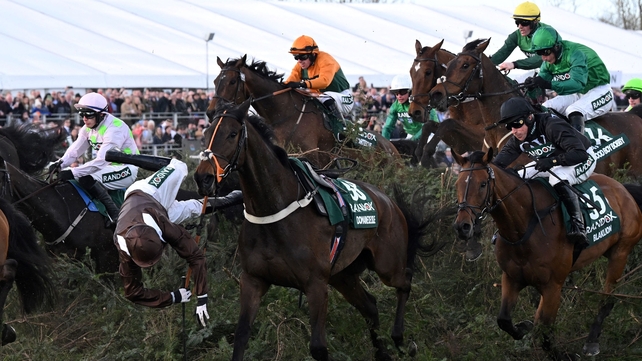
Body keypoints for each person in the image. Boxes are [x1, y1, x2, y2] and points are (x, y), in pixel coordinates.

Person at [114, 157, 243, 327]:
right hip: (140, 207)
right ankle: (234, 198)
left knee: (179, 167)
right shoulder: (123, 249)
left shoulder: (162, 223)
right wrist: (173, 297)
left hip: (149, 192)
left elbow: (195, 256)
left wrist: (202, 296)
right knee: (194, 209)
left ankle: (129, 157)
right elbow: (132, 292)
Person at [493, 97, 596, 246]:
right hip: (555, 161)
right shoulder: (517, 139)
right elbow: (497, 166)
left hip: (583, 158)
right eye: (509, 127)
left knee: (557, 178)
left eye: (517, 124)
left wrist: (552, 161)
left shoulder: (551, 125)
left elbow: (580, 154)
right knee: (517, 177)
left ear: (529, 117)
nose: (514, 131)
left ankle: (578, 225)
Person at [49, 92, 139, 225]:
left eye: (88, 114)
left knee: (85, 177)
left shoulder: (115, 129)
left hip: (126, 169)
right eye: (82, 114)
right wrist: (59, 164)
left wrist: (72, 172)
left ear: (101, 114)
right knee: (77, 174)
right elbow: (75, 151)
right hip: (106, 168)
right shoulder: (87, 129)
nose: (84, 119)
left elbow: (101, 161)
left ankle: (114, 214)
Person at [525, 26, 614, 134]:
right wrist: (531, 87)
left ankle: (578, 148)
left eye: (546, 52)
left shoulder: (576, 54)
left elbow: (578, 84)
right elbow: (541, 85)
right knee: (545, 107)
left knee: (573, 110)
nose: (543, 58)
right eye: (540, 53)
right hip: (577, 94)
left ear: (557, 47)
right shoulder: (548, 63)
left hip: (600, 90)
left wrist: (549, 84)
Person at [284, 35, 354, 121]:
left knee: (324, 97)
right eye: (296, 57)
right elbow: (289, 82)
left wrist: (303, 84)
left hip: (344, 97)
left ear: (313, 54)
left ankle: (342, 127)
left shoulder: (326, 60)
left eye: (302, 57)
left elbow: (325, 81)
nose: (299, 61)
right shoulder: (300, 66)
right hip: (321, 96)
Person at [490, 1, 560, 72]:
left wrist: (515, 64)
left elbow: (540, 59)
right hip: (543, 71)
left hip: (560, 70)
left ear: (535, 21)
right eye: (517, 22)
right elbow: (502, 53)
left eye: (524, 23)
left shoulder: (546, 34)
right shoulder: (516, 36)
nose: (520, 26)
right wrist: (485, 62)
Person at [382, 74, 438, 141]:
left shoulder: (421, 103)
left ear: (410, 91)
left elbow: (427, 126)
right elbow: (387, 127)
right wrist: (384, 143)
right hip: (411, 135)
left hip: (430, 133)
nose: (399, 96)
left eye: (402, 92)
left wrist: (412, 141)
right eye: (396, 92)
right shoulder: (395, 107)